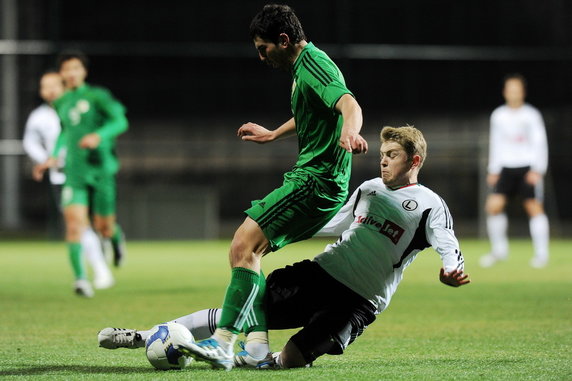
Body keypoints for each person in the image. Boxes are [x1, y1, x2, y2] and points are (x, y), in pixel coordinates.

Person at [98, 126, 470, 370]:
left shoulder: (429, 205)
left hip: (361, 301)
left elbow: (447, 243)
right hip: (322, 274)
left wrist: (451, 269)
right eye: (382, 154)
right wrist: (277, 232)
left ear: (414, 160)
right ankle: (146, 336)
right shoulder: (369, 189)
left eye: (393, 155)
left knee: (292, 359)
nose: (384, 160)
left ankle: (254, 359)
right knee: (243, 310)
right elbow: (330, 223)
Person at [175, 4, 368, 369]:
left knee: (242, 245)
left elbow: (347, 103)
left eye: (264, 49)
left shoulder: (314, 64)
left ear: (284, 40)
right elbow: (315, 109)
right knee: (250, 253)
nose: (261, 57)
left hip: (316, 181)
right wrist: (274, 133)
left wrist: (350, 130)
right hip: (318, 181)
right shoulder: (304, 70)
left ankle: (223, 343)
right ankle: (258, 347)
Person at [35, 51, 128, 297]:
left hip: (101, 170)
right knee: (74, 225)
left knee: (103, 227)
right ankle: (81, 280)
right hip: (74, 173)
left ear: (83, 71)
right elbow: (66, 131)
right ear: (62, 73)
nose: (71, 73)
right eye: (67, 69)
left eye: (76, 68)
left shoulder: (97, 96)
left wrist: (99, 135)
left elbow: (121, 122)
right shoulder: (62, 101)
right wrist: (54, 156)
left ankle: (116, 240)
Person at [24, 70, 114, 290]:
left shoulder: (83, 108)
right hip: (63, 177)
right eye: (45, 86)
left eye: (55, 84)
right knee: (78, 226)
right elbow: (30, 142)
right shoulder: (39, 117)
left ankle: (111, 239)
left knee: (102, 225)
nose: (51, 90)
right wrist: (46, 160)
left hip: (93, 174)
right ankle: (96, 272)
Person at [479, 74, 549, 269]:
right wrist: (493, 169)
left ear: (523, 92)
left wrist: (538, 169)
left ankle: (541, 255)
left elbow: (540, 142)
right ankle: (499, 251)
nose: (513, 93)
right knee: (493, 207)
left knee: (534, 208)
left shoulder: (531, 114)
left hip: (527, 167)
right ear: (505, 92)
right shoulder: (498, 115)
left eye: (517, 89)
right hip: (505, 168)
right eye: (510, 89)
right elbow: (496, 143)